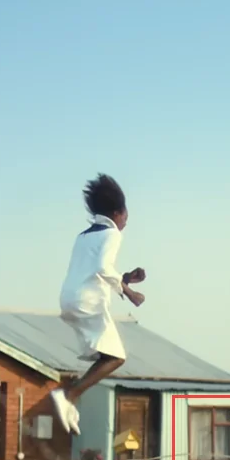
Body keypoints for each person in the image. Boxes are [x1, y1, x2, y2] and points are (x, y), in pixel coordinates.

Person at [51, 174, 146, 435]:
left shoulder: (83, 236)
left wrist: (125, 278)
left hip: (69, 299)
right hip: (88, 302)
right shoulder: (112, 234)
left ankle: (70, 400)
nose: (126, 221)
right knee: (116, 357)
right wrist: (129, 292)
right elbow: (103, 267)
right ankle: (69, 395)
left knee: (106, 355)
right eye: (126, 216)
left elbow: (93, 271)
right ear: (116, 213)